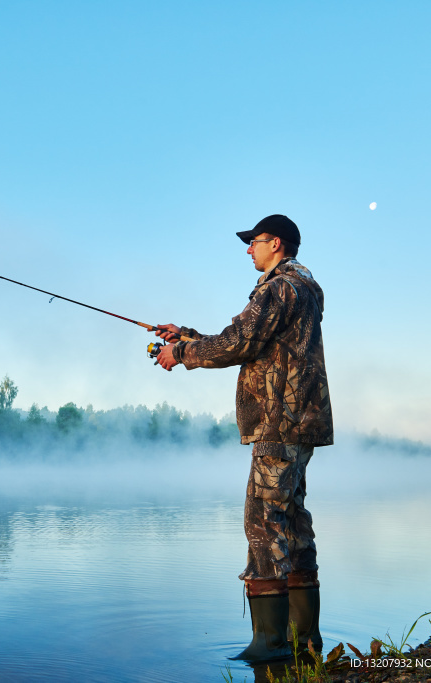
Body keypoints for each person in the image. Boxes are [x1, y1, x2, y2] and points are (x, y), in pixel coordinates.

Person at [152, 214, 334, 662]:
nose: (248, 249)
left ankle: (270, 644)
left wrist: (180, 353)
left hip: (278, 420)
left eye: (253, 242)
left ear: (276, 243)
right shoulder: (303, 289)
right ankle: (304, 641)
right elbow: (254, 341)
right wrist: (189, 336)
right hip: (300, 421)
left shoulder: (278, 288)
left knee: (262, 519)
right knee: (290, 520)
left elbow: (240, 342)